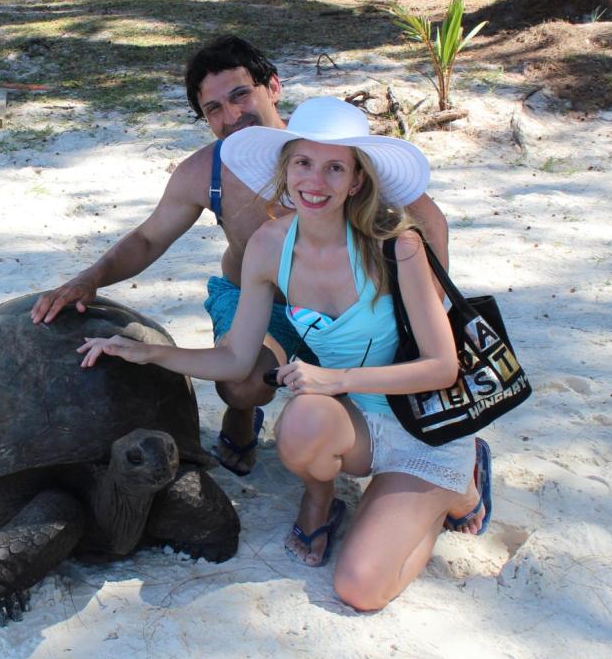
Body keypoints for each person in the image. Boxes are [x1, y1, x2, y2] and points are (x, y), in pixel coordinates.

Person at [77, 97, 491, 612]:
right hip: (358, 427)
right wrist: (149, 354)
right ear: (286, 170)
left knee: (359, 589)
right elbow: (236, 360)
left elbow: (442, 368)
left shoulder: (396, 245)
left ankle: (454, 487)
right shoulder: (270, 245)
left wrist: (336, 380)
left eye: (334, 167)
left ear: (356, 181)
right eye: (303, 163)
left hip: (424, 425)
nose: (315, 181)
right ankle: (331, 500)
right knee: (300, 421)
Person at [31, 35, 449, 478]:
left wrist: (429, 310)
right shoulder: (205, 172)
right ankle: (243, 412)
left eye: (240, 95)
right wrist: (90, 279)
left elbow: (431, 223)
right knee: (242, 380)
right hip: (260, 303)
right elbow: (149, 239)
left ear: (273, 86)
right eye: (213, 109)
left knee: (388, 379)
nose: (231, 116)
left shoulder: (333, 150)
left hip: (348, 306)